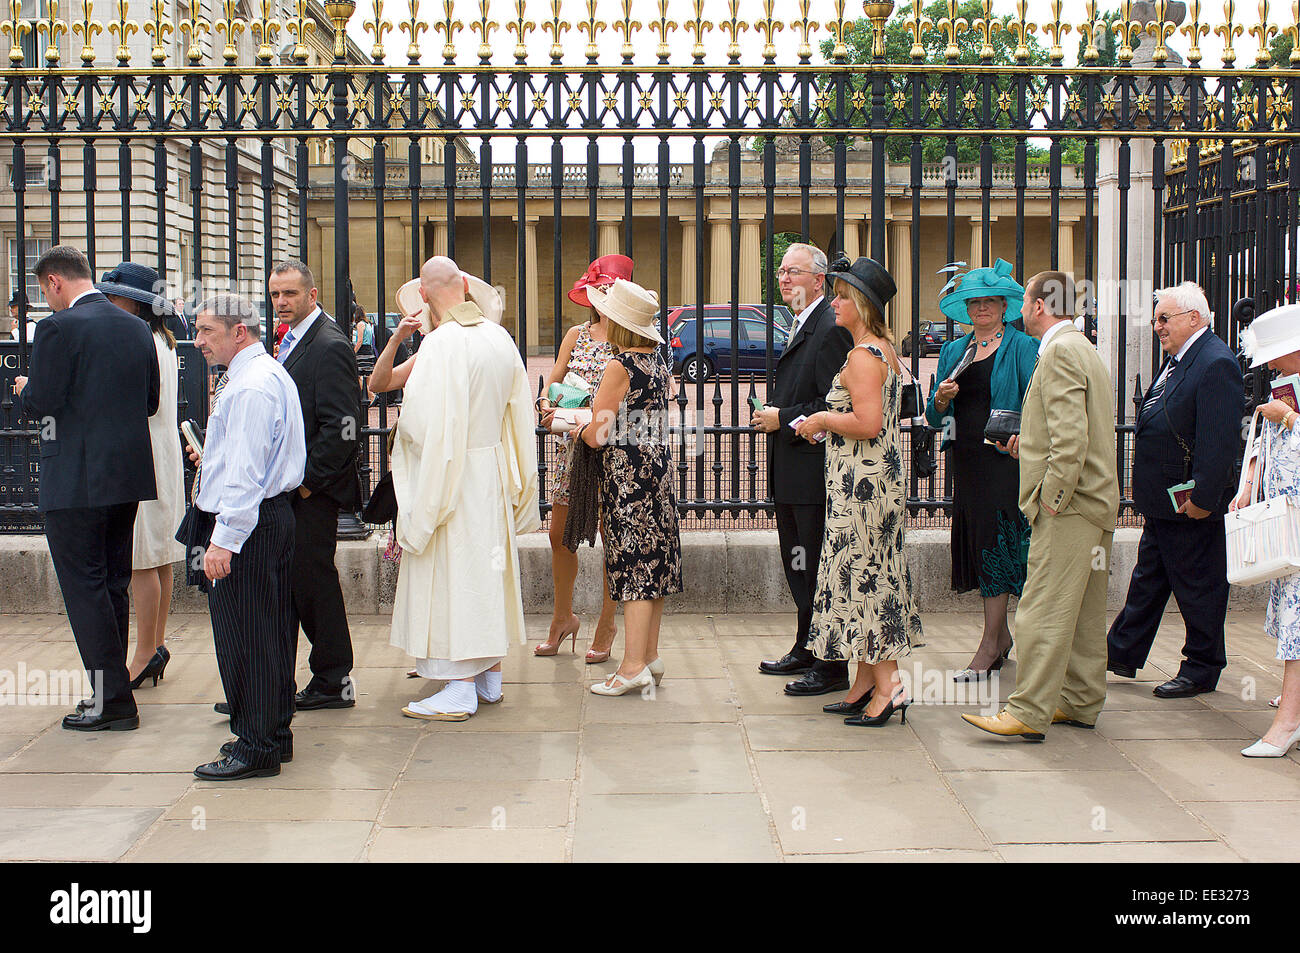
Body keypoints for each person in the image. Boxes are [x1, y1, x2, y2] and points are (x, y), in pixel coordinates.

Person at [962, 271, 1119, 741]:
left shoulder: (1060, 350)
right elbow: (1070, 431)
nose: (1021, 309)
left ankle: (1028, 711)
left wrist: (1049, 501)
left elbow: (1070, 441)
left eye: (1026, 301)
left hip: (1069, 507)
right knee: (1086, 615)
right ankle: (1080, 701)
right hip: (1094, 502)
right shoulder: (1083, 347)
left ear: (1039, 304)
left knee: (1040, 610)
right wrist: (1027, 448)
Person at [13, 246, 159, 731]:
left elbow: (44, 402)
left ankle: (112, 700)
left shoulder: (57, 328)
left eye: (43, 290)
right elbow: (151, 400)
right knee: (113, 582)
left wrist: (24, 390)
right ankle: (110, 694)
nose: (46, 301)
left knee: (85, 588)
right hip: (128, 475)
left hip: (76, 477)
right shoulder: (136, 326)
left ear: (54, 282)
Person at [390, 257, 540, 721]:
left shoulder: (439, 344)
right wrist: (520, 482)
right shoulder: (501, 338)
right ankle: (489, 674)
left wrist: (407, 447)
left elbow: (421, 421)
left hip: (450, 472)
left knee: (455, 573)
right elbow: (522, 416)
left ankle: (458, 685)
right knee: (487, 570)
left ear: (426, 294)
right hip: (490, 470)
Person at [795, 257, 924, 724]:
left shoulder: (860, 357)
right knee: (867, 573)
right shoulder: (882, 349)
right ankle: (864, 683)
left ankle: (888, 687)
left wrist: (822, 419)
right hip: (872, 481)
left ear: (861, 305)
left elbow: (867, 423)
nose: (834, 302)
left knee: (866, 579)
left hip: (862, 487)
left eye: (842, 296)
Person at [1106, 282, 1243, 698]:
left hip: (1190, 504)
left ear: (1194, 318)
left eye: (1165, 318)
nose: (1157, 326)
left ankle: (1202, 667)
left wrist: (1202, 498)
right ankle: (1120, 653)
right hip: (1163, 500)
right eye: (1156, 318)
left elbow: (1218, 440)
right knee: (1149, 579)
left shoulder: (1216, 362)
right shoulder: (1180, 357)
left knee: (1198, 586)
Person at [190, 293, 305, 779]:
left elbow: (244, 472)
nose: (197, 342)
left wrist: (224, 540)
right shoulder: (261, 375)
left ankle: (255, 745)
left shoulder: (251, 386)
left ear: (240, 332)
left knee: (248, 636)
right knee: (270, 631)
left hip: (252, 522)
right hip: (268, 517)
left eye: (207, 332)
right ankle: (271, 734)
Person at [925, 259, 1039, 681]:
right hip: (968, 463)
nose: (982, 309)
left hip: (1005, 463)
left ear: (1004, 306)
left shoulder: (1024, 347)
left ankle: (991, 645)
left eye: (990, 301)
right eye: (974, 302)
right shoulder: (956, 350)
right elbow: (936, 419)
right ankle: (1002, 635)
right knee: (984, 545)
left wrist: (1022, 441)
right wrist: (939, 400)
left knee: (1002, 549)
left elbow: (1037, 406)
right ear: (965, 308)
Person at [751, 242, 854, 697]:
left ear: (819, 279)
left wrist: (783, 419)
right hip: (792, 471)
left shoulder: (830, 328)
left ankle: (832, 666)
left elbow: (832, 404)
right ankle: (806, 647)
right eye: (781, 271)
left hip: (813, 473)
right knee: (799, 565)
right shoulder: (802, 323)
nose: (785, 278)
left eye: (794, 272)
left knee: (815, 567)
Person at [578, 278, 682, 695]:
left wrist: (572, 428)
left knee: (633, 565)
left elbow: (598, 434)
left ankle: (632, 665)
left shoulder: (620, 365)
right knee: (654, 561)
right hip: (655, 470)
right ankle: (649, 655)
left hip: (628, 477)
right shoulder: (657, 360)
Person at [270, 261, 363, 711]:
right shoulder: (293, 339)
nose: (281, 303)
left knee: (313, 585)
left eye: (289, 294)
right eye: (275, 295)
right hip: (289, 491)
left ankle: (332, 679)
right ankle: (274, 681)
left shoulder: (328, 344)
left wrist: (307, 486)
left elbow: (344, 426)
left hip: (312, 493)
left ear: (312, 294)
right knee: (290, 587)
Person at [534, 254, 630, 661]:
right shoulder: (577, 334)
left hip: (611, 449)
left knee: (613, 539)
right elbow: (554, 379)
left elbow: (645, 402)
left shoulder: (634, 337)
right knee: (559, 536)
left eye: (609, 288)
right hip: (571, 447)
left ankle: (607, 624)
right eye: (598, 288)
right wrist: (544, 400)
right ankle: (562, 618)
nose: (601, 295)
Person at [96, 263, 186, 688]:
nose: (108, 303)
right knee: (160, 556)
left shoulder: (137, 340)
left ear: (133, 303)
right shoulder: (163, 341)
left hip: (142, 454)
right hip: (163, 453)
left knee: (139, 560)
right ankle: (157, 645)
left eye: (113, 296)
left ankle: (145, 653)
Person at [1234, 304, 1300, 755]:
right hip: (1288, 521)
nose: (1271, 365)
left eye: (1277, 355)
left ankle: (1288, 721)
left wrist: (1290, 420)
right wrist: (1251, 480)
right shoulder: (1286, 388)